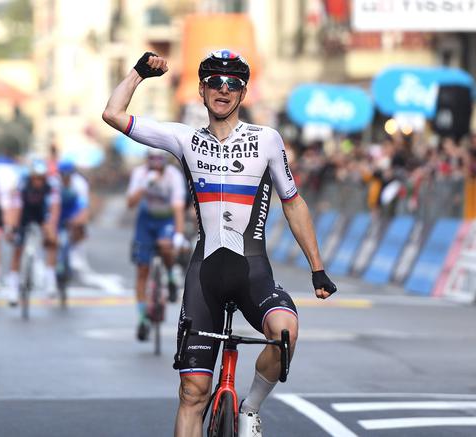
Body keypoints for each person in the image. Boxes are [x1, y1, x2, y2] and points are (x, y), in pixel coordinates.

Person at [102, 50, 337, 437]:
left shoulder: (267, 140)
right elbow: (112, 114)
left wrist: (317, 268)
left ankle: (251, 408)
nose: (223, 89)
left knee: (285, 333)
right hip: (205, 274)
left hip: (252, 271)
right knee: (192, 393)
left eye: (233, 84)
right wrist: (138, 74)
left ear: (243, 93)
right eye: (214, 81)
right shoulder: (184, 138)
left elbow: (293, 204)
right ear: (202, 89)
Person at [127, 148, 186, 341]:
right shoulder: (140, 174)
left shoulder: (173, 176)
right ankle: (143, 317)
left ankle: (170, 277)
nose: (155, 164)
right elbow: (130, 203)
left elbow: (178, 207)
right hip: (145, 221)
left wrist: (178, 233)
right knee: (142, 269)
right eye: (152, 159)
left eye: (159, 160)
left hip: (165, 219)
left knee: (165, 245)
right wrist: (143, 186)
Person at [6, 159, 61, 305]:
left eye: (41, 178)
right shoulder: (22, 185)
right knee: (17, 248)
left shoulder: (51, 186)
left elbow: (54, 208)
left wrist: (51, 229)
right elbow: (15, 208)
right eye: (35, 178)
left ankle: (50, 281)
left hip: (42, 214)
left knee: (51, 241)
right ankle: (12, 289)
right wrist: (12, 228)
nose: (38, 181)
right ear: (30, 177)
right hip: (25, 213)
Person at [55, 159, 91, 276]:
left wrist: (78, 220)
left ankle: (75, 253)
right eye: (62, 174)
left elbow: (83, 206)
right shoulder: (54, 182)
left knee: (79, 227)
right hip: (58, 209)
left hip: (73, 210)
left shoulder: (80, 184)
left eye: (68, 174)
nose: (65, 177)